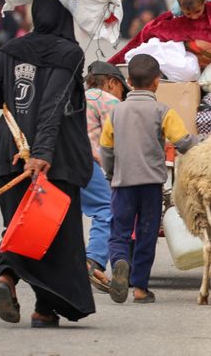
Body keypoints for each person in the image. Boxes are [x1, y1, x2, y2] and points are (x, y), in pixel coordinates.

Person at [0, 0, 95, 328]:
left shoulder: (13, 48)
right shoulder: (69, 54)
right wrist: (41, 154)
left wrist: (11, 95)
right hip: (52, 160)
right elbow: (53, 105)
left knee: (18, 225)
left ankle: (7, 279)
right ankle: (43, 310)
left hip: (11, 151)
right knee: (52, 233)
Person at [100, 54, 196, 304]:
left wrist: (112, 174)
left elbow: (106, 149)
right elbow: (183, 143)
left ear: (129, 80)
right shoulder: (163, 111)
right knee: (146, 234)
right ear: (157, 82)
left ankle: (120, 261)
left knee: (119, 232)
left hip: (123, 184)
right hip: (151, 185)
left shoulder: (116, 112)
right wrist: (207, 144)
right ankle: (140, 288)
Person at [82, 61, 130, 292]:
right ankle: (93, 262)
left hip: (62, 162)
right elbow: (117, 140)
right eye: (122, 89)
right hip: (89, 163)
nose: (122, 95)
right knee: (106, 210)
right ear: (111, 83)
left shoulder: (77, 97)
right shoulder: (109, 101)